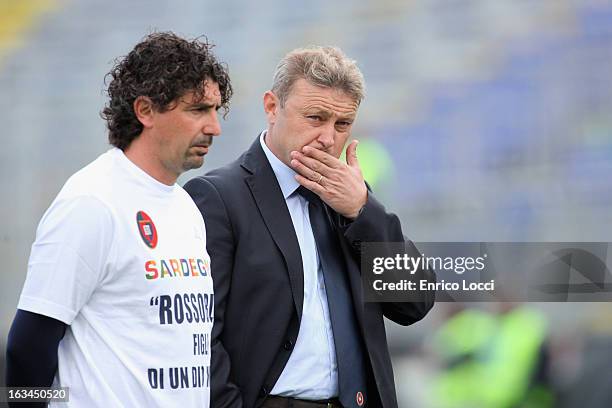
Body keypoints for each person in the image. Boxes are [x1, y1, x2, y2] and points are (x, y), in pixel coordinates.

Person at [184, 46, 435, 408]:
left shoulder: (351, 199)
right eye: (315, 118)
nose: (329, 138)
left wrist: (363, 211)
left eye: (343, 124)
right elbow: (201, 337)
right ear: (272, 107)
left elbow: (414, 303)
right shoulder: (218, 198)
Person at [5, 32, 232, 407]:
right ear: (145, 111)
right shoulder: (92, 202)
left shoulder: (185, 206)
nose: (214, 127)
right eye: (197, 110)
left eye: (215, 110)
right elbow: (27, 345)